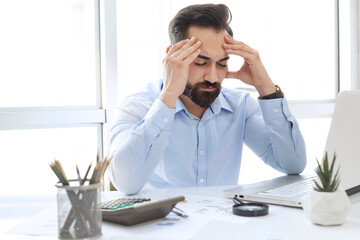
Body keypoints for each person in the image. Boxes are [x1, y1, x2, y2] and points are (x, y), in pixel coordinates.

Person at [108, 3, 306, 195]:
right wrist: (168, 96)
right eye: (201, 62)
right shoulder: (137, 106)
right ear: (172, 57)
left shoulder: (240, 106)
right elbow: (126, 183)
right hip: (160, 226)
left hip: (222, 226)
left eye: (221, 64)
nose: (212, 77)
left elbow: (293, 164)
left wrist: (267, 89)